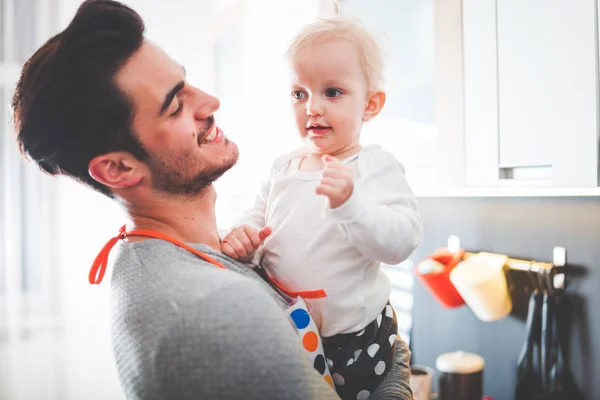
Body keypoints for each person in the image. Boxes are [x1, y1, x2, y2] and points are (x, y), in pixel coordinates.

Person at [12, 1, 413, 399]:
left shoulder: (165, 257)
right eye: (175, 106)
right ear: (117, 169)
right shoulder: (215, 312)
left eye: (186, 82)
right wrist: (398, 366)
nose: (210, 102)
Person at [221, 18, 422, 400]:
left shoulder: (373, 168)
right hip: (293, 338)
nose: (312, 108)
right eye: (299, 93)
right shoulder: (283, 167)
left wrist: (351, 205)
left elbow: (402, 241)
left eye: (332, 92)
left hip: (359, 349)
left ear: (371, 104)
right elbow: (257, 216)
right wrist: (244, 237)